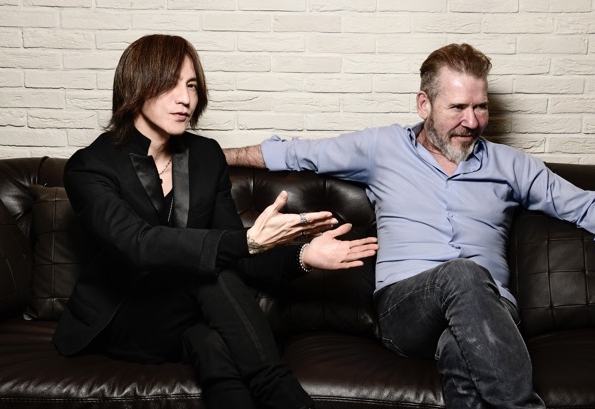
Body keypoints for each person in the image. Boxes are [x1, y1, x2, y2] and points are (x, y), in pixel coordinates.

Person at [224, 43, 595, 409]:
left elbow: (588, 207)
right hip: (406, 309)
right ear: (424, 104)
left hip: (492, 315)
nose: (472, 121)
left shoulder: (511, 165)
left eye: (480, 107)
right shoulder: (381, 148)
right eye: (458, 108)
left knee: (460, 353)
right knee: (462, 273)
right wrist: (208, 157)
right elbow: (294, 153)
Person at [52, 34, 378, 409]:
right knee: (207, 272)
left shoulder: (206, 156)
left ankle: (277, 392)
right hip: (126, 316)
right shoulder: (89, 166)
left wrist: (303, 256)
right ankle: (282, 392)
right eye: (171, 84)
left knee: (211, 343)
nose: (186, 99)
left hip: (187, 317)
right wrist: (246, 242)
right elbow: (140, 244)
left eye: (191, 85)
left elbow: (235, 254)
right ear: (137, 86)